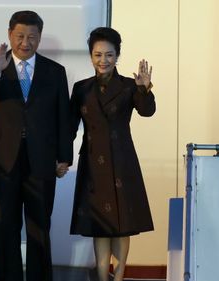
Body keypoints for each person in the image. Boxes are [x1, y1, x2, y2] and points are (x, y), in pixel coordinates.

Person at [0, 10, 72, 281]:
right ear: (10, 35)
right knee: (6, 226)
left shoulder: (55, 71)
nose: (26, 42)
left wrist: (64, 157)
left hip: (42, 159)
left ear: (40, 38)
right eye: (20, 36)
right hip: (3, 160)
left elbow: (64, 117)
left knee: (39, 227)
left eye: (32, 37)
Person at [69, 27, 155, 281]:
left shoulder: (131, 86)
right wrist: (62, 157)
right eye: (98, 55)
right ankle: (102, 276)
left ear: (117, 55)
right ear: (90, 56)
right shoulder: (81, 88)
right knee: (99, 225)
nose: (103, 60)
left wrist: (144, 89)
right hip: (93, 161)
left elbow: (147, 111)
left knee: (121, 222)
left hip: (121, 160)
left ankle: (118, 277)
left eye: (109, 55)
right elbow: (69, 126)